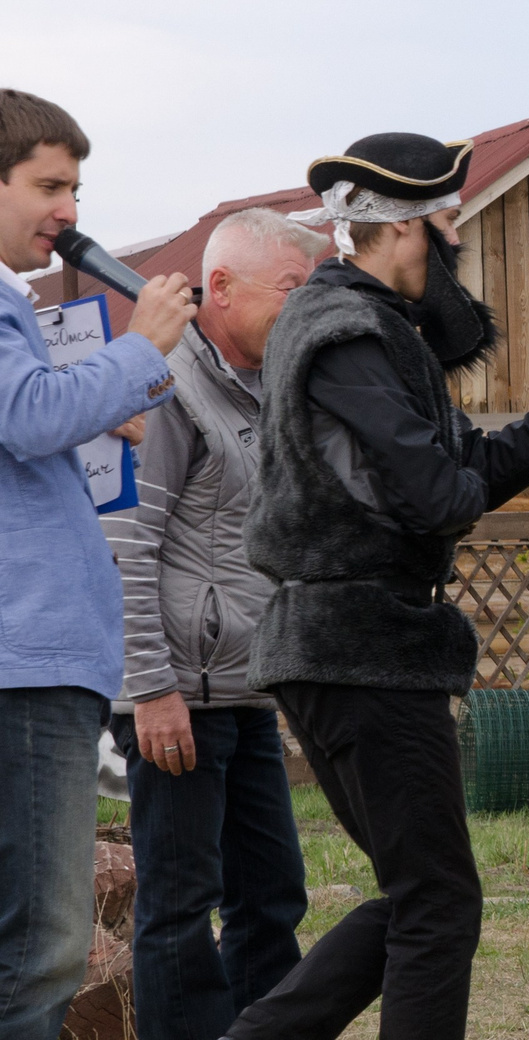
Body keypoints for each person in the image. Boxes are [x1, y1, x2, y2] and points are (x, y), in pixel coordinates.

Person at [229, 133, 529, 1040]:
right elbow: (442, 496)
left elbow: (471, 472)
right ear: (404, 226)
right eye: (447, 221)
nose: (454, 243)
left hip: (350, 645)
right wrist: (452, 489)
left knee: (421, 896)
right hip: (359, 643)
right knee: (438, 903)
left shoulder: (370, 331)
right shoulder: (345, 335)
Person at [103, 207, 330, 1040]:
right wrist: (150, 688)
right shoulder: (168, 386)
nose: (305, 312)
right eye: (292, 291)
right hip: (174, 701)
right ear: (222, 288)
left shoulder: (268, 391)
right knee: (179, 905)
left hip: (243, 688)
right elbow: (126, 542)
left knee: (272, 894)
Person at [0, 91, 195, 1040]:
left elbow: (31, 422)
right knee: (42, 943)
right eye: (49, 186)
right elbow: (29, 414)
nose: (70, 211)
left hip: (38, 659)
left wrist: (100, 393)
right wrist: (137, 349)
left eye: (76, 188)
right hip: (23, 663)